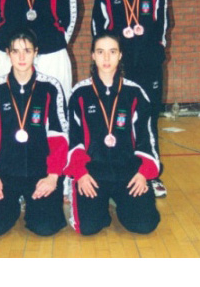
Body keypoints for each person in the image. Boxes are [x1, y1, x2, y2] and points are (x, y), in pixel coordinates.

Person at [90, 0, 170, 198]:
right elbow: (97, 32)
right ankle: (117, 171)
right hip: (118, 68)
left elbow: (162, 28)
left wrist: (155, 55)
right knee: (115, 119)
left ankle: (152, 174)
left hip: (148, 67)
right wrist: (107, 64)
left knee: (148, 119)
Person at [0, 28, 69, 237]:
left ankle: (32, 203)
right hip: (4, 175)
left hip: (41, 174)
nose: (22, 57)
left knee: (46, 227)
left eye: (27, 51)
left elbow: (60, 136)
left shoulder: (50, 88)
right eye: (15, 51)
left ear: (36, 52)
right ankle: (13, 203)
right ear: (8, 53)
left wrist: (52, 176)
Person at [64, 32, 161, 235]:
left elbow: (147, 139)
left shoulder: (135, 93)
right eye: (100, 52)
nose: (106, 58)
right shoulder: (80, 94)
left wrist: (143, 173)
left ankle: (120, 201)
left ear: (120, 55)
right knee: (88, 227)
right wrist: (81, 174)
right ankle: (102, 203)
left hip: (128, 172)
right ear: (93, 56)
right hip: (92, 173)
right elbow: (73, 139)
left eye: (112, 52)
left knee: (144, 225)